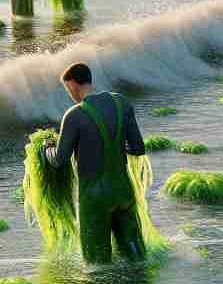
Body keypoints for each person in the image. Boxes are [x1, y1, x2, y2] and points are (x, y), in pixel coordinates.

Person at [42, 63, 151, 264]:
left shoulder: (75, 115)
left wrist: (47, 147)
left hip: (94, 199)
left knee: (97, 265)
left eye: (68, 89)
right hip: (123, 191)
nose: (70, 94)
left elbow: (59, 160)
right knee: (136, 256)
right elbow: (138, 148)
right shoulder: (121, 103)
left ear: (72, 84)